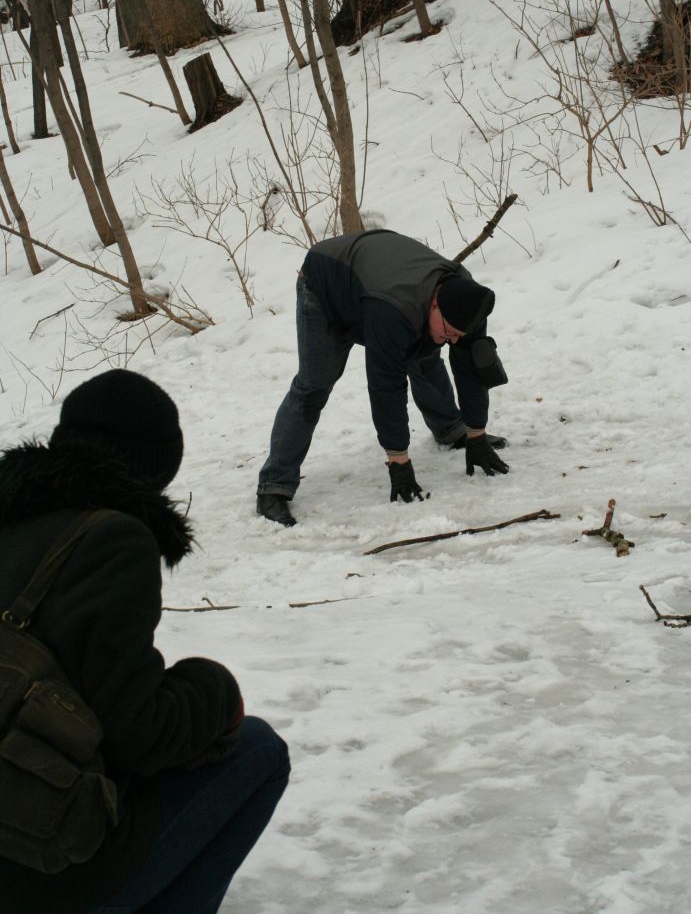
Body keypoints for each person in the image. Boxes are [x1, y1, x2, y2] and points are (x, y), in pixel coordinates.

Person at [0, 369, 290, 914]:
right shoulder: (111, 539)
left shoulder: (11, 514)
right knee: (259, 750)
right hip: (31, 860)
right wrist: (214, 689)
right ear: (155, 468)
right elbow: (140, 737)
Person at [257, 229, 509, 527]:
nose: (453, 339)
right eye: (450, 332)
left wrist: (476, 432)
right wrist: (398, 460)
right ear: (435, 305)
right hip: (326, 288)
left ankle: (451, 429)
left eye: (457, 335)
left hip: (380, 283)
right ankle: (274, 485)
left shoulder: (469, 301)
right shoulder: (393, 310)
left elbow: (472, 365)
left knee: (426, 355)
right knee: (314, 386)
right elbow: (385, 385)